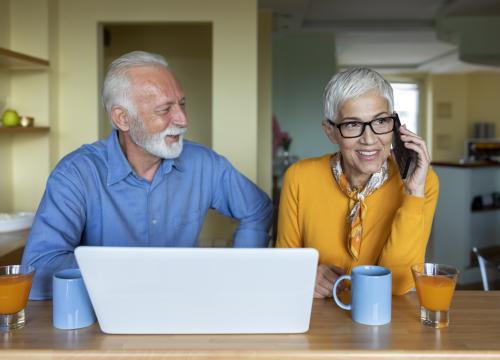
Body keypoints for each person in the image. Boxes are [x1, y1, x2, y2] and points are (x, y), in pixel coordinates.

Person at [22, 51, 273, 300]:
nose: (183, 120)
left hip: (180, 311)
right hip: (101, 318)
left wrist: (243, 270)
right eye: (165, 109)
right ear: (122, 118)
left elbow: (258, 209)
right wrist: (137, 276)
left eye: (182, 104)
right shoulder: (75, 173)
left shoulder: (204, 163)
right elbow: (41, 267)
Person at [276, 67, 439, 296]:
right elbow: (283, 268)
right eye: (352, 124)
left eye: (381, 121)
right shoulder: (299, 177)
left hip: (386, 319)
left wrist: (413, 193)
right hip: (320, 318)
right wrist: (307, 275)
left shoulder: (422, 182)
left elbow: (398, 284)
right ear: (331, 131)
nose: (369, 139)